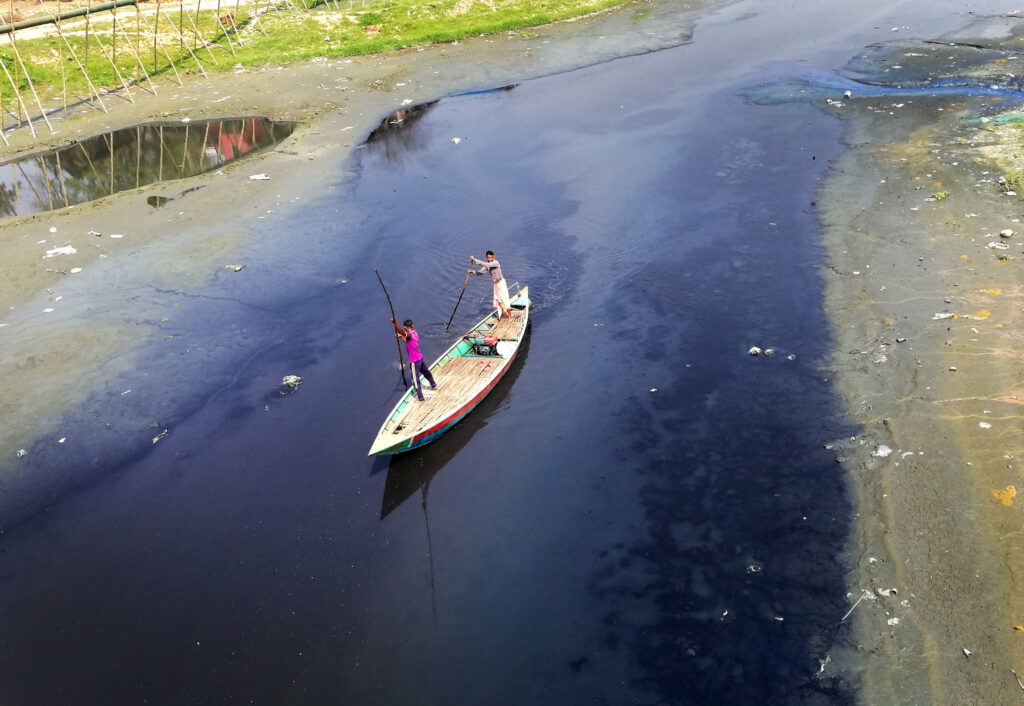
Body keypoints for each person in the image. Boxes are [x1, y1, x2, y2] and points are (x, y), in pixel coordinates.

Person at [392, 317, 437, 401]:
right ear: (413, 325)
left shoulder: (410, 334)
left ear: (407, 328)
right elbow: (407, 341)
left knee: (415, 380)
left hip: (414, 362)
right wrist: (401, 336)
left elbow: (403, 332)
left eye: (405, 328)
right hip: (420, 358)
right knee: (426, 372)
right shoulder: (415, 333)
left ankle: (420, 397)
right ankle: (433, 384)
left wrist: (395, 323)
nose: (405, 330)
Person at [469, 250, 514, 319]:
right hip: (496, 284)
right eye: (488, 258)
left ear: (493, 257)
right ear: (486, 258)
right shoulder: (487, 265)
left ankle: (510, 317)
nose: (490, 259)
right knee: (498, 300)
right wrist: (472, 272)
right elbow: (481, 272)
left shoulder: (496, 263)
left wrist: (474, 260)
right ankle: (501, 314)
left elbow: (487, 264)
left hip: (501, 283)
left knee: (505, 299)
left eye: (491, 258)